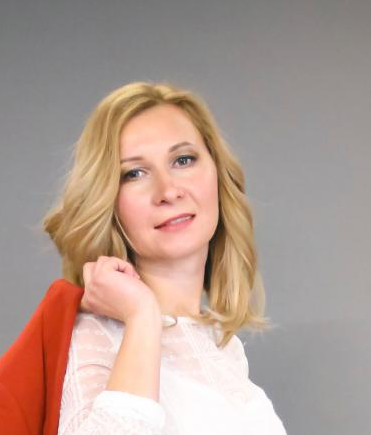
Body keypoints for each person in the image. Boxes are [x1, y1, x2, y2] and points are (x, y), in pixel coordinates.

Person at [41, 81, 287, 435]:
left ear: (218, 173)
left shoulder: (224, 346)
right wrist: (142, 316)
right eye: (134, 173)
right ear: (107, 200)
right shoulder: (93, 338)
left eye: (183, 160)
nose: (168, 191)